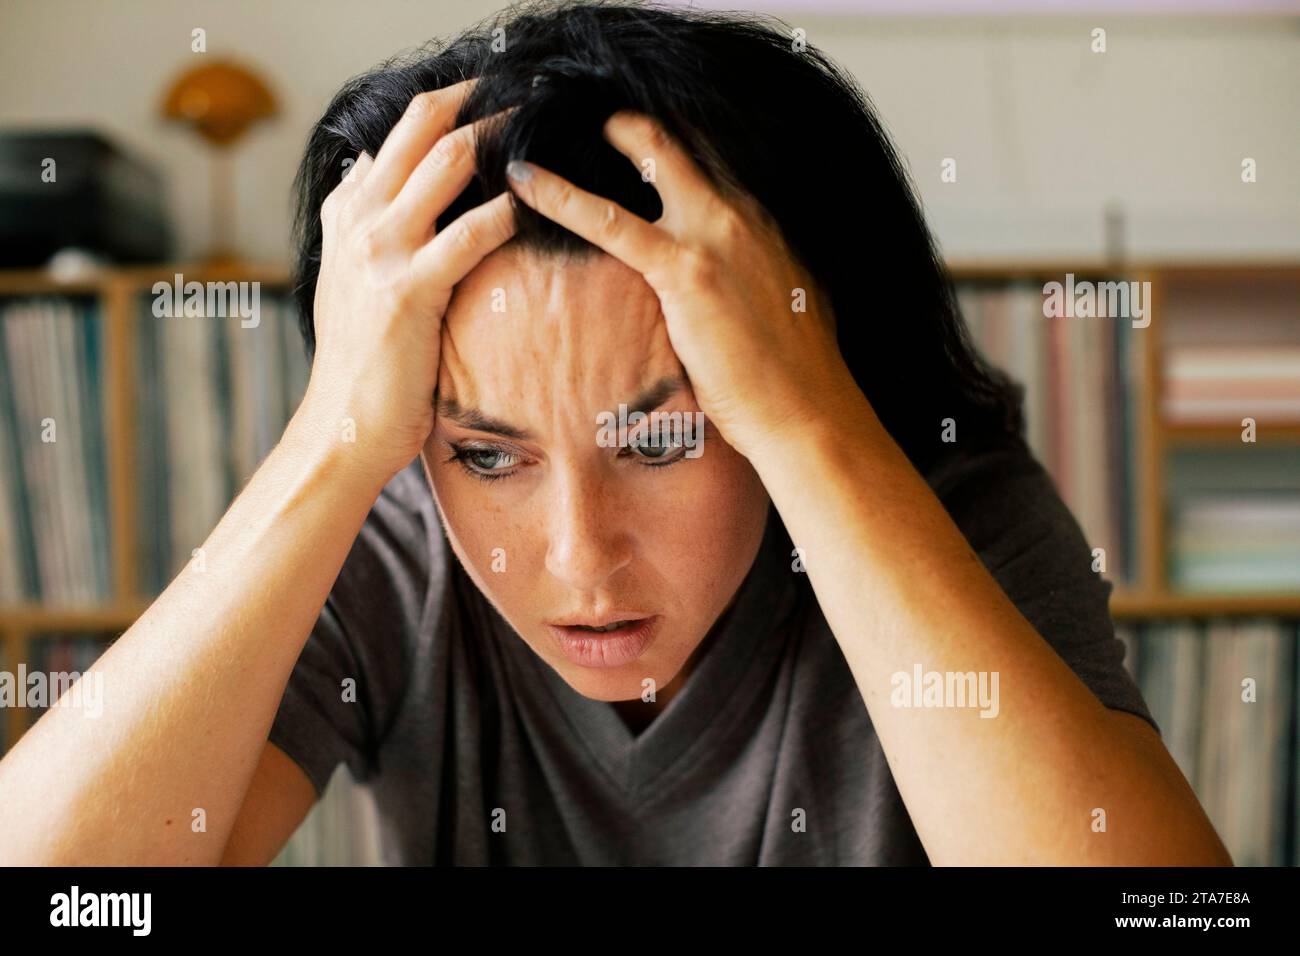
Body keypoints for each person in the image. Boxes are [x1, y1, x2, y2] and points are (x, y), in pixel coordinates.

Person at [0, 0, 1231, 866]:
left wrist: (805, 424)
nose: (580, 564)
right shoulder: (393, 546)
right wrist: (328, 442)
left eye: (660, 440)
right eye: (486, 455)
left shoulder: (950, 514)